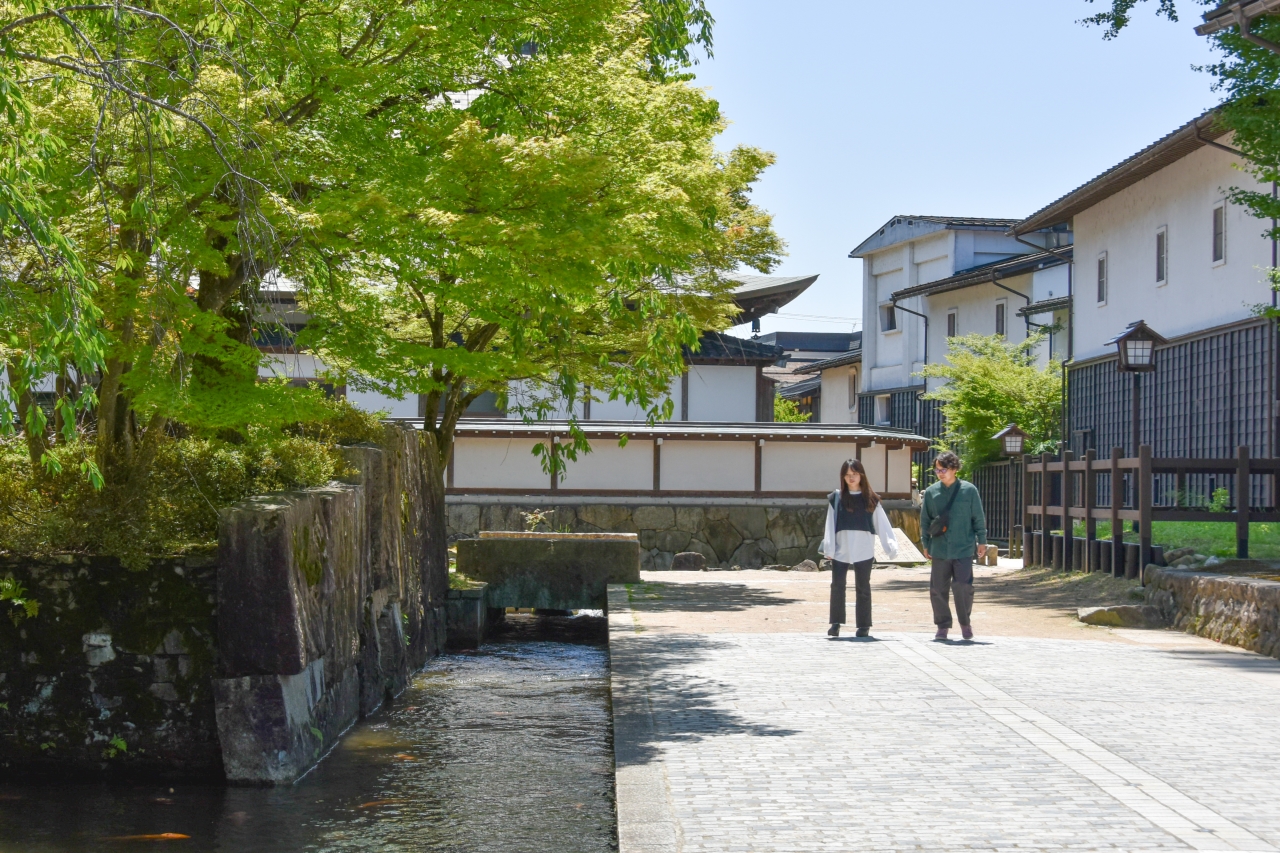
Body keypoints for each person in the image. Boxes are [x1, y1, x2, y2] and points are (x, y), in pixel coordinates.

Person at [820, 458, 899, 638]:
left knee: (863, 586)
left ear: (861, 475)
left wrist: (890, 547)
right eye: (847, 475)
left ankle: (864, 625)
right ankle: (836, 623)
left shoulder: (871, 498)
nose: (851, 478)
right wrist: (829, 549)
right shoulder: (836, 498)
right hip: (841, 548)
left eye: (854, 474)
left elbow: (882, 525)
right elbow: (830, 525)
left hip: (864, 548)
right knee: (837, 586)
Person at [919, 451, 989, 641]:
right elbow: (924, 520)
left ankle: (965, 623)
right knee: (938, 589)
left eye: (944, 469)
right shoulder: (932, 492)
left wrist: (981, 540)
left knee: (963, 587)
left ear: (954, 469)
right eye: (937, 469)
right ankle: (942, 626)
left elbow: (978, 517)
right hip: (939, 547)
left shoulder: (969, 490)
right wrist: (925, 543)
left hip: (964, 546)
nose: (940, 473)